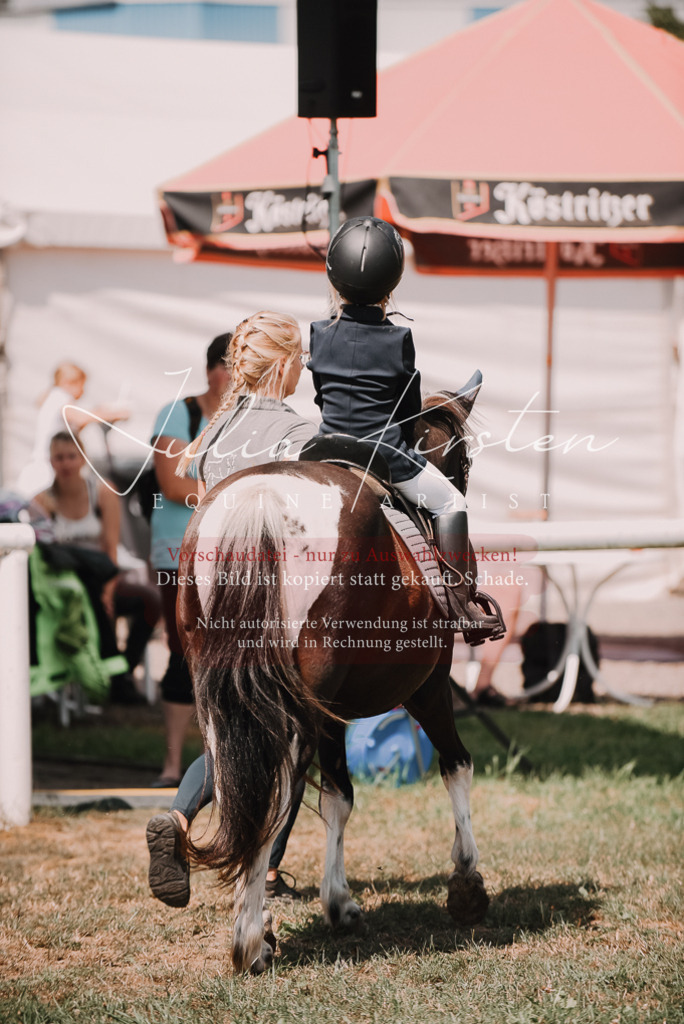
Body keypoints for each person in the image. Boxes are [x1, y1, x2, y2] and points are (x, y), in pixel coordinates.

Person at [147, 311, 318, 907]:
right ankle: (267, 873)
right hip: (270, 602)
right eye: (300, 360)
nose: (305, 370)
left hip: (212, 598)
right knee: (293, 731)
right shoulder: (298, 433)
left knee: (223, 732)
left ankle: (178, 817)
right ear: (281, 366)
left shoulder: (215, 432)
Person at [308, 216, 503, 644]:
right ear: (391, 281)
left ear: (334, 276)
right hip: (384, 456)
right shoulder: (398, 339)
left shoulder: (319, 334)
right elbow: (407, 410)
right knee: (451, 501)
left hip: (323, 448)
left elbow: (322, 396)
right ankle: (460, 603)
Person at [149, 334, 233, 787]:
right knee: (183, 652)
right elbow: (172, 485)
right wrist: (235, 496)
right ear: (210, 371)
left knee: (222, 655)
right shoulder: (177, 412)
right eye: (229, 368)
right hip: (178, 551)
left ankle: (215, 762)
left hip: (227, 552)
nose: (236, 379)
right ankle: (171, 765)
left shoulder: (246, 421)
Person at [33, 431, 161, 704]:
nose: (66, 464)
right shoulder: (42, 502)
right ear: (50, 461)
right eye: (59, 458)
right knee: (89, 601)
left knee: (152, 600)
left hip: (104, 575)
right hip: (66, 586)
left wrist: (108, 589)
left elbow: (110, 548)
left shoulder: (103, 492)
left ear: (83, 459)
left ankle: (122, 669)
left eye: (71, 457)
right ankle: (111, 678)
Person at [16, 362, 129, 499]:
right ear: (69, 383)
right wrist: (114, 413)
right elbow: (80, 418)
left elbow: (76, 427)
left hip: (48, 467)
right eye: (82, 385)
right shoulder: (59, 397)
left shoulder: (54, 398)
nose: (83, 391)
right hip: (46, 470)